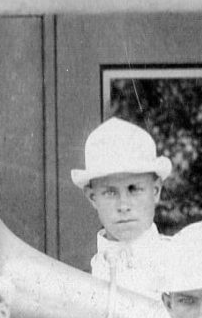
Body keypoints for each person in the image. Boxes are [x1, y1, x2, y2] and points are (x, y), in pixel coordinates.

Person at [72, 118, 179, 294]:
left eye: (134, 189)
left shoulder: (182, 261)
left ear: (156, 191)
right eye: (110, 192)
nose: (123, 205)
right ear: (92, 197)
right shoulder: (81, 279)